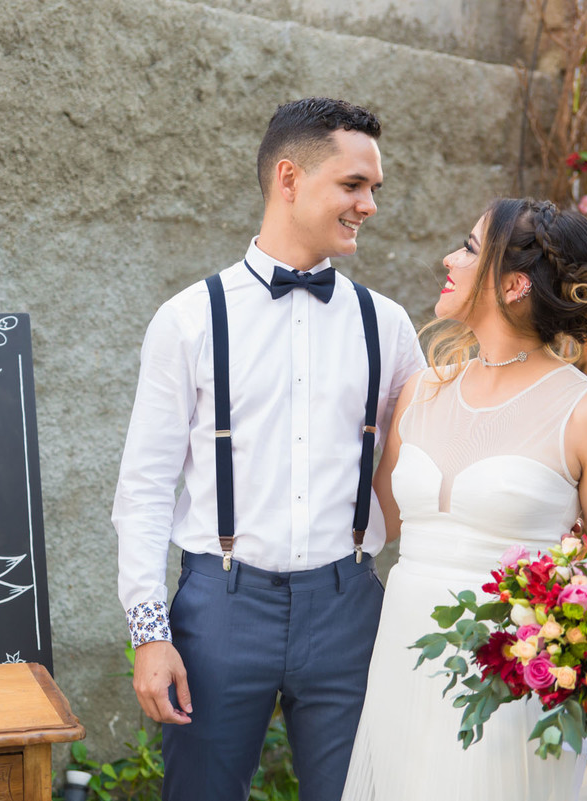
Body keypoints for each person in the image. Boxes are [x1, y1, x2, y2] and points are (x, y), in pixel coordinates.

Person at [112, 97, 425, 801]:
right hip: (221, 605)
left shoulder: (390, 326)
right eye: (353, 185)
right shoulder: (188, 319)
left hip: (348, 605)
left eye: (374, 188)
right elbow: (144, 487)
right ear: (290, 178)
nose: (369, 204)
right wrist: (148, 631)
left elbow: (424, 462)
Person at [341, 197, 587, 801]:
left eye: (470, 248)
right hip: (401, 661)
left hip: (508, 684)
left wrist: (566, 662)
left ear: (513, 284)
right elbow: (374, 523)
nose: (449, 258)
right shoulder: (423, 389)